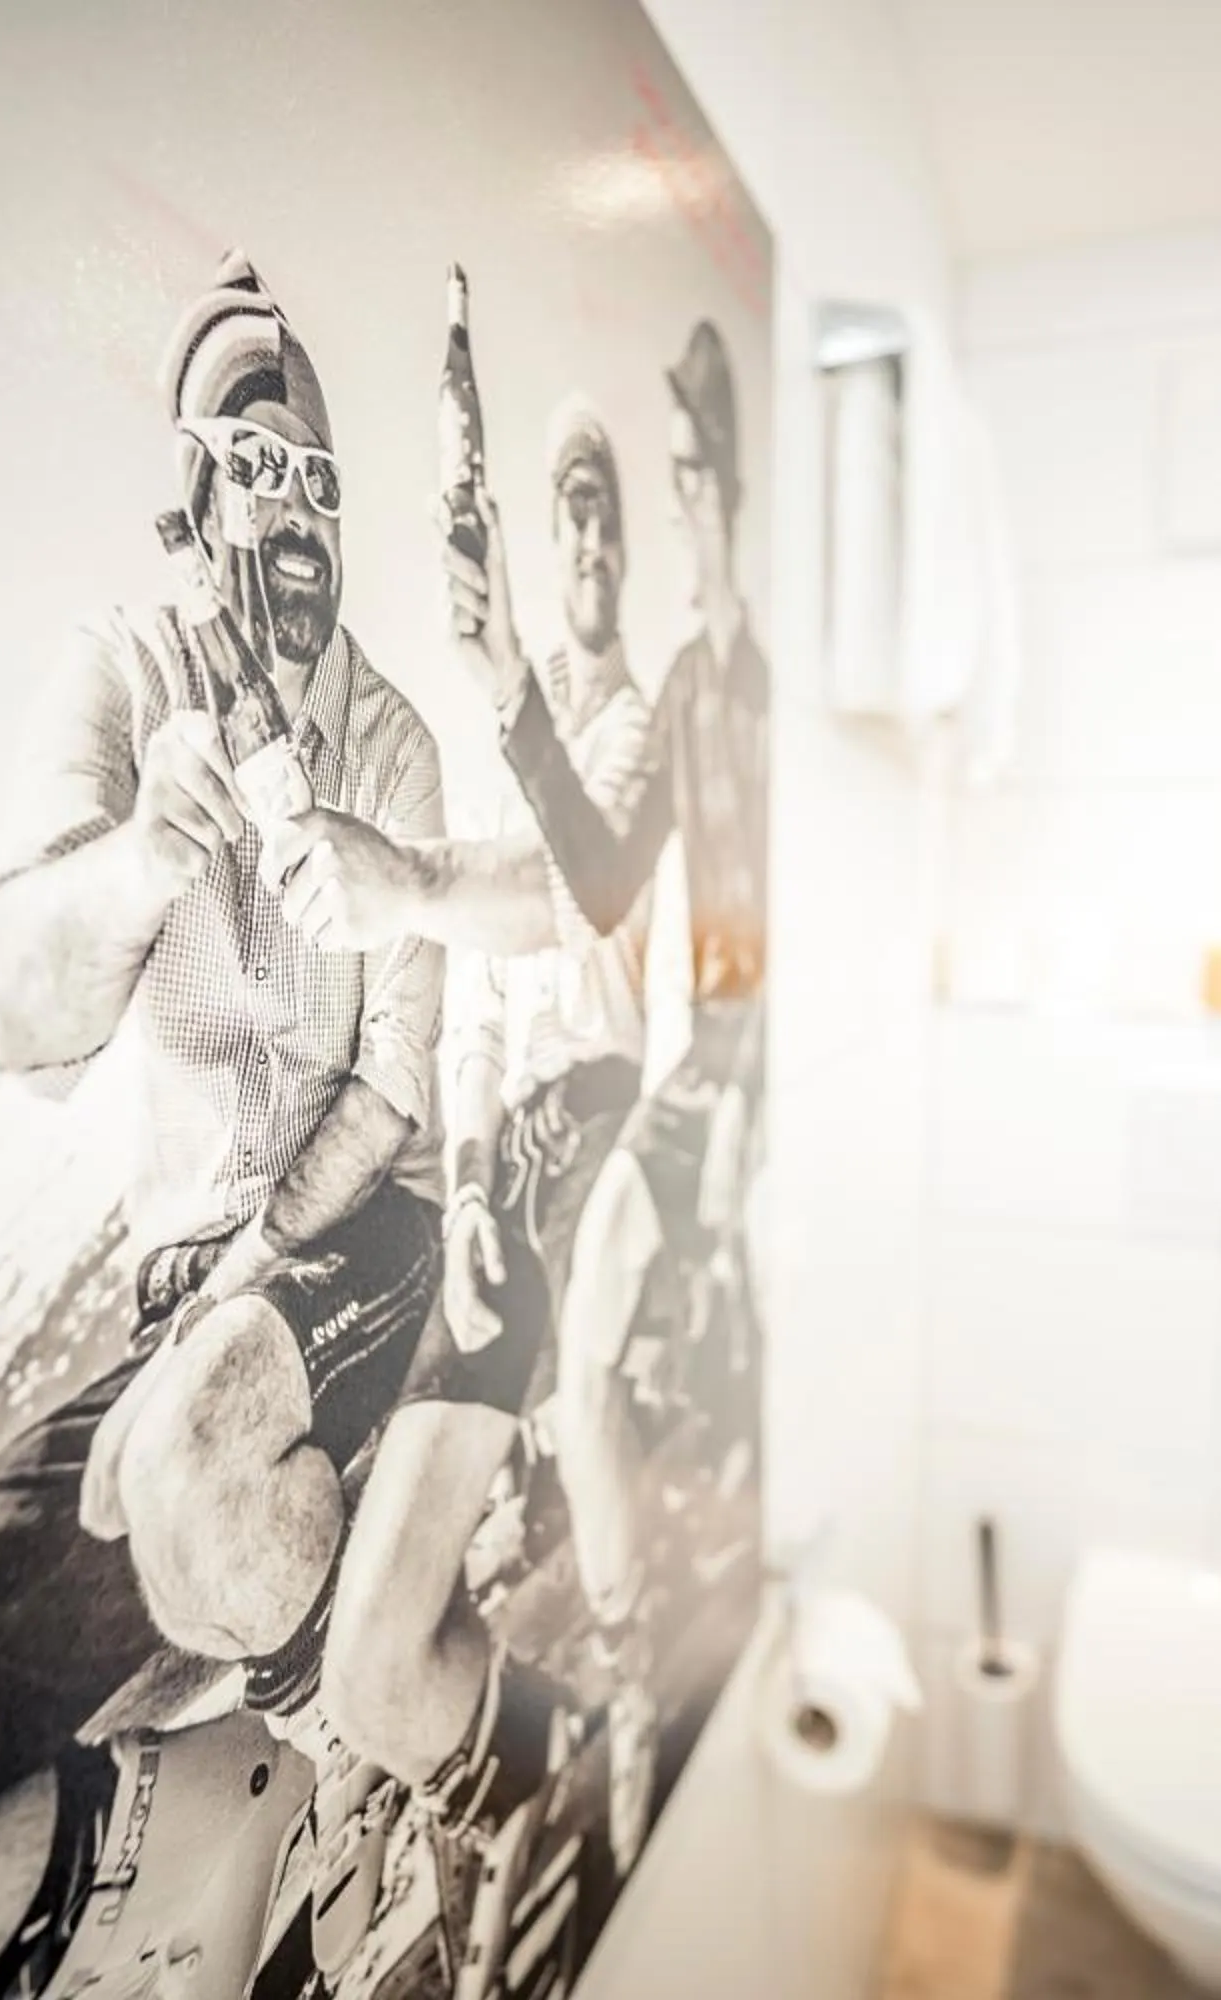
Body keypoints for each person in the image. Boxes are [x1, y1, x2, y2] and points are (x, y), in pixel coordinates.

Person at [0, 250, 448, 2000]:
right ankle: (178, 1835)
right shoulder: (130, 668)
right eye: (251, 474)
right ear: (192, 515)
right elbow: (17, 1016)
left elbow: (399, 1083)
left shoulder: (394, 745)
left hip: (355, 1225)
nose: (294, 526)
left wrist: (260, 1262)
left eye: (318, 486)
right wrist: (145, 856)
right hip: (180, 1271)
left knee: (192, 1446)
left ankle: (336, 1789)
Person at [315, 404, 658, 1941]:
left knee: (382, 1651)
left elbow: (577, 893)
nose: (590, 539)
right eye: (570, 508)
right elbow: (457, 1017)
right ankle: (531, 1760)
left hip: (592, 1143)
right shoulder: (493, 742)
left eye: (610, 517)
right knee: (370, 1654)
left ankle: (557, 1752)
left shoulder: (632, 731)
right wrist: (457, 1190)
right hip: (503, 1177)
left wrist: (416, 874)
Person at [444, 322, 768, 1631]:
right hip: (706, 1068)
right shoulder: (694, 686)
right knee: (580, 1352)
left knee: (666, 1320)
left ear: (725, 496)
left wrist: (750, 1093)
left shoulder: (740, 694)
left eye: (693, 480)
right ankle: (628, 1642)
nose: (682, 513)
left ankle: (664, 1594)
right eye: (669, 477)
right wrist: (507, 677)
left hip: (741, 1071)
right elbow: (604, 878)